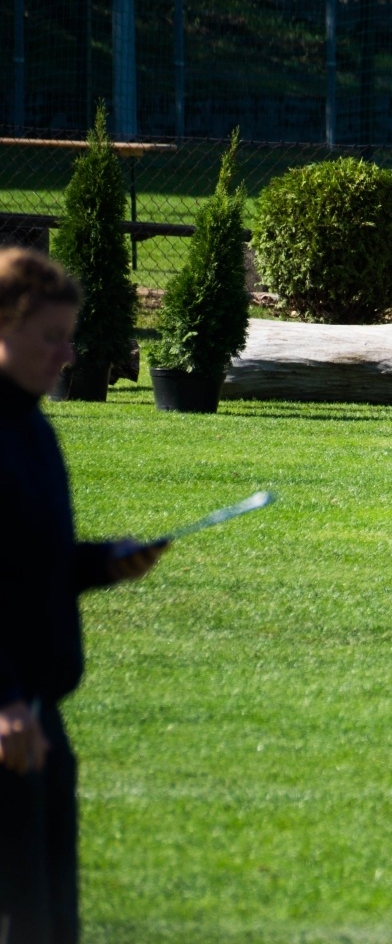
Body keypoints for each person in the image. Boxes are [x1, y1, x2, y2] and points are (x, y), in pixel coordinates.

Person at [0, 248, 165, 944]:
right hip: (8, 715)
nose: (67, 354)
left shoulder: (32, 430)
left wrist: (103, 563)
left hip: (39, 712)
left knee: (52, 916)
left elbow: (28, 565)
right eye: (50, 337)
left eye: (70, 336)